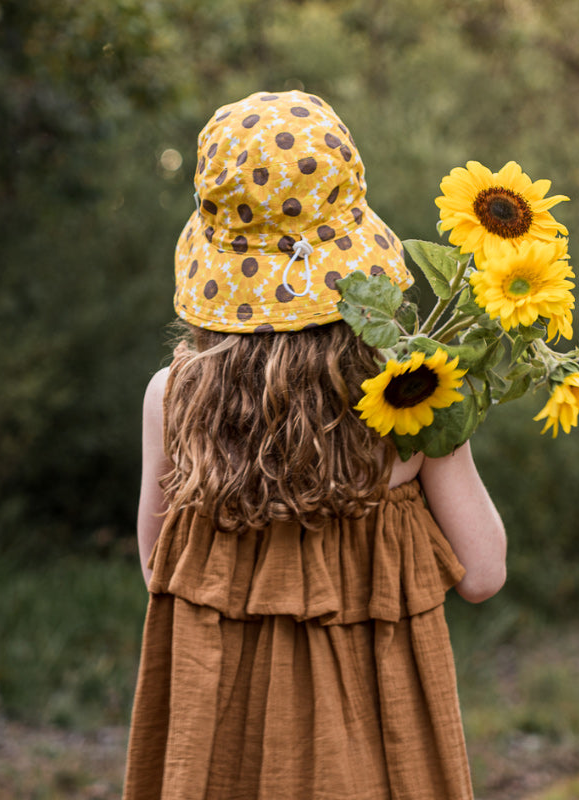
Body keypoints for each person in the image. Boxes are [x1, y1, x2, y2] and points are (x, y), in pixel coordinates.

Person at [123, 90, 506, 800]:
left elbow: (159, 568)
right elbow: (482, 572)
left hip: (222, 744)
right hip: (377, 748)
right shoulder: (413, 397)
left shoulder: (171, 399)